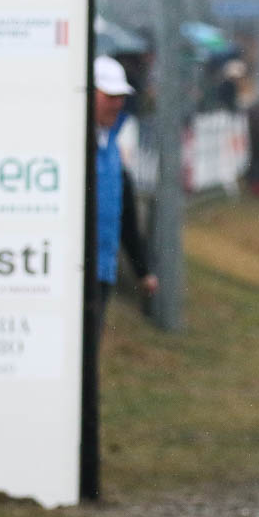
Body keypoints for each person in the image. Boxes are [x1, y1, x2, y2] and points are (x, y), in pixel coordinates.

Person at [93, 56, 158, 341]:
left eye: (120, 97)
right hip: (74, 273)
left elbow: (125, 211)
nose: (117, 104)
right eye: (109, 96)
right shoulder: (74, 145)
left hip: (102, 270)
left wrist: (142, 270)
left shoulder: (111, 146)